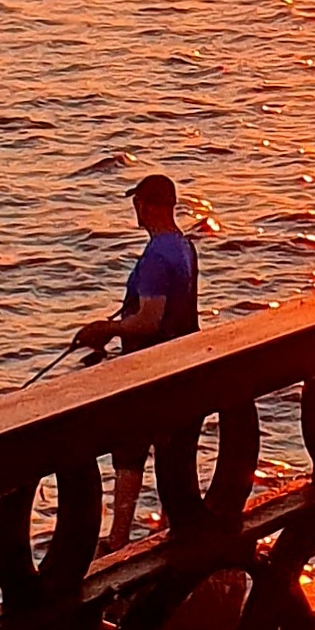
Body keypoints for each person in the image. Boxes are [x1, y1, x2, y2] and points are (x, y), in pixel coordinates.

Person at [70, 174, 200, 550]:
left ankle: (118, 538)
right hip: (179, 364)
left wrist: (107, 330)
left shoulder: (157, 256)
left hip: (149, 371)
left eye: (137, 203)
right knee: (170, 453)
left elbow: (150, 320)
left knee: (129, 450)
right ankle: (166, 525)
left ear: (145, 205)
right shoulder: (184, 247)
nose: (135, 211)